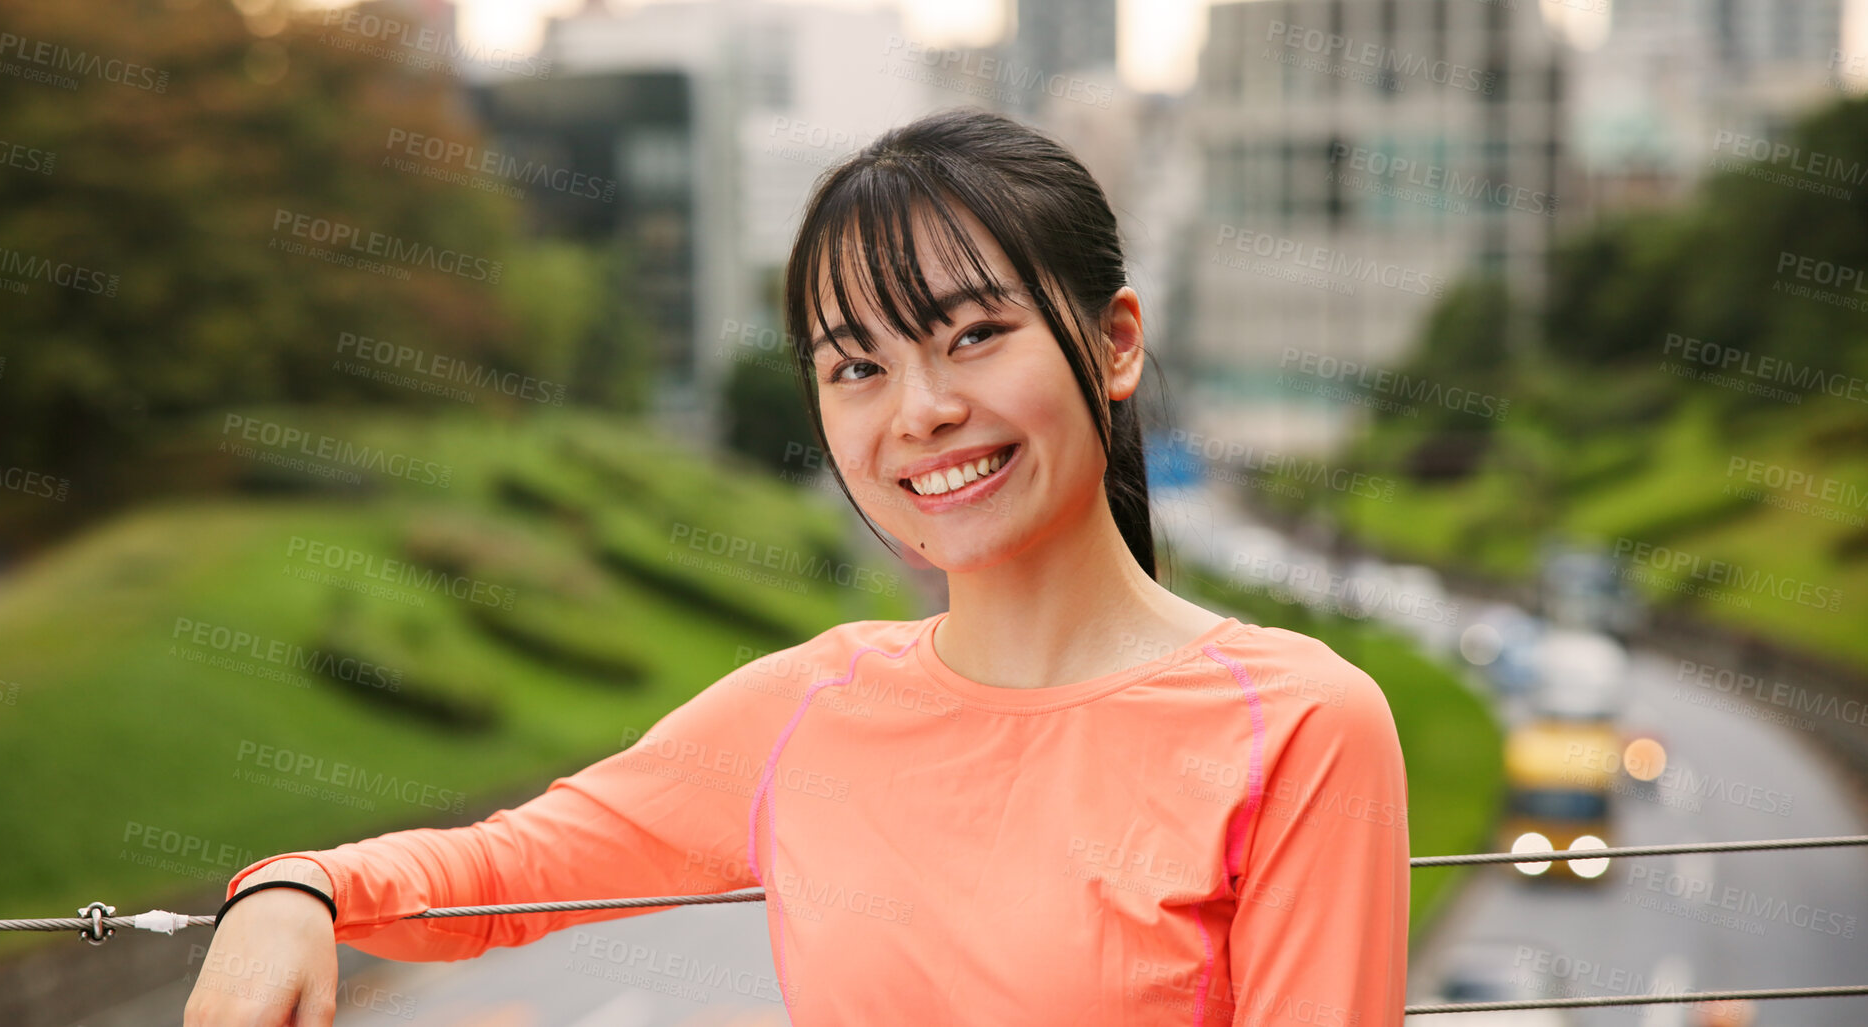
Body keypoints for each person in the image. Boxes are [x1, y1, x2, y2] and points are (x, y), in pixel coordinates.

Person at [184, 106, 1410, 1027]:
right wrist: (292, 890)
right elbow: (508, 868)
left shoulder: (1296, 726)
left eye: (976, 334)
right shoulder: (807, 712)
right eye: (856, 366)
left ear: (1114, 341)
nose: (922, 410)